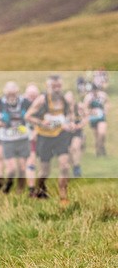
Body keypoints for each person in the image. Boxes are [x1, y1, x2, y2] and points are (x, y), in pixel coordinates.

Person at [26, 75, 74, 203]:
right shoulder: (42, 99)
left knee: (64, 165)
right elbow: (28, 116)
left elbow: (70, 115)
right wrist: (41, 123)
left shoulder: (65, 99)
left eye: (59, 86)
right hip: (45, 137)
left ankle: (63, 196)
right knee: (45, 171)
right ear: (48, 87)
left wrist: (70, 123)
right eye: (54, 87)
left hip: (60, 135)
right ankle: (39, 189)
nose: (57, 89)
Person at [0, 81, 32, 193]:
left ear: (17, 91)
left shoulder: (25, 102)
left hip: (23, 138)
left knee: (22, 168)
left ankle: (20, 191)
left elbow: (31, 115)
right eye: (9, 93)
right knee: (11, 169)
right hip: (7, 139)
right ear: (5, 92)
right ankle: (9, 183)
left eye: (13, 92)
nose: (11, 95)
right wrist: (1, 123)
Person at [23, 82, 41, 195]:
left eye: (34, 96)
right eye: (30, 95)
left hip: (42, 139)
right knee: (31, 161)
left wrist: (37, 130)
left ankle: (39, 186)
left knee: (40, 163)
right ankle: (31, 188)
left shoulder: (42, 107)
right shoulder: (21, 107)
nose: (32, 98)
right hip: (27, 139)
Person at [83, 83, 108, 157]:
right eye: (92, 91)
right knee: (96, 135)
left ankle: (101, 147)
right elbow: (85, 108)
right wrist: (90, 112)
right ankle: (98, 150)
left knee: (102, 133)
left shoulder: (103, 95)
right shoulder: (88, 97)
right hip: (93, 118)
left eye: (95, 90)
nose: (93, 92)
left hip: (101, 117)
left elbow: (107, 102)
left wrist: (105, 110)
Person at [64, 91, 85, 177]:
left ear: (73, 99)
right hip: (66, 132)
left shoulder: (79, 107)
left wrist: (80, 125)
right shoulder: (62, 109)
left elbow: (86, 117)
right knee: (69, 151)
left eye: (70, 100)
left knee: (75, 147)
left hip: (77, 131)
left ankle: (77, 168)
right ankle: (71, 168)